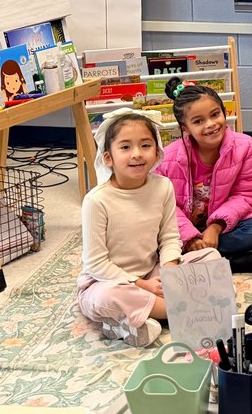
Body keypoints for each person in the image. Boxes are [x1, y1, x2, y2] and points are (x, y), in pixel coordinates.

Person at [79, 109, 221, 347]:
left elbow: (169, 237)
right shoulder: (97, 201)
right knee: (106, 298)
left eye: (145, 145)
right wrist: (140, 285)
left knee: (211, 257)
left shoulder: (162, 186)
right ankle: (186, 308)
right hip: (107, 282)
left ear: (157, 153)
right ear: (108, 158)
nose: (136, 154)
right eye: (125, 147)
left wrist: (170, 271)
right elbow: (95, 264)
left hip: (152, 273)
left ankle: (139, 317)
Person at [156, 77, 252, 274]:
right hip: (180, 229)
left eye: (215, 114)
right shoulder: (167, 159)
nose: (210, 124)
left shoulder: (246, 146)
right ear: (185, 128)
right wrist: (189, 237)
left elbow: (246, 195)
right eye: (198, 121)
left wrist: (216, 227)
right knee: (144, 238)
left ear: (224, 112)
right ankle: (228, 262)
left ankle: (194, 260)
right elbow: (164, 207)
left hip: (223, 227)